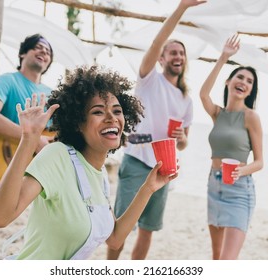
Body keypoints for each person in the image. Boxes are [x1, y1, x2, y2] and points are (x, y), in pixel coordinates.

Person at [0, 65, 179, 260]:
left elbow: (114, 239)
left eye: (117, 111)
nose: (112, 118)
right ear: (78, 122)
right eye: (98, 112)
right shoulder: (57, 156)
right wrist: (29, 139)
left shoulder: (100, 174)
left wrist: (148, 188)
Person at [107, 0, 207, 260]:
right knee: (120, 227)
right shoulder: (149, 79)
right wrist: (182, 8)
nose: (178, 56)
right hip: (137, 161)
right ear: (161, 58)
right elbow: (155, 42)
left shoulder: (186, 100)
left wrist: (183, 138)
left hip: (165, 168)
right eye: (172, 52)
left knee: (147, 230)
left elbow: (183, 144)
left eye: (181, 53)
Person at [199, 34, 264, 260]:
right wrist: (224, 57)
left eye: (249, 81)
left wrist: (240, 171)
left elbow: (259, 162)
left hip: (239, 191)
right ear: (228, 82)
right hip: (214, 186)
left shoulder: (251, 117)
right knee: (217, 258)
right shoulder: (218, 114)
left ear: (250, 91)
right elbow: (203, 94)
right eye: (240, 77)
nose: (244, 82)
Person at [0, 33, 54, 153]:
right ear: (22, 53)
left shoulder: (53, 94)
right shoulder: (6, 80)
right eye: (38, 47)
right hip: (6, 157)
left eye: (48, 52)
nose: (44, 51)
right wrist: (33, 139)